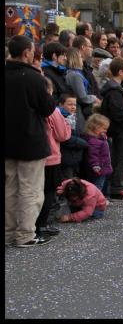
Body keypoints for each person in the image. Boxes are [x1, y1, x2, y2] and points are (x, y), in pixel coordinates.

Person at [5, 35, 57, 247]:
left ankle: (8, 232)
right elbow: (48, 108)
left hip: (7, 140)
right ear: (26, 52)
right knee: (30, 189)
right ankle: (25, 234)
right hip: (30, 140)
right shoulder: (34, 78)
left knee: (9, 188)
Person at [36, 77, 71, 238]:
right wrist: (68, 125)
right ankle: (42, 224)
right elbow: (62, 135)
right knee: (48, 191)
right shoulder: (53, 110)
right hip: (50, 155)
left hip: (31, 154)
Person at [100, 57, 123, 201]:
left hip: (116, 128)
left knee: (118, 158)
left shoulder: (113, 88)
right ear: (120, 72)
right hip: (119, 129)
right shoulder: (115, 90)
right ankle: (117, 188)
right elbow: (118, 112)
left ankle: (118, 186)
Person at [64, 47, 100, 134]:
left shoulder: (73, 73)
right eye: (80, 57)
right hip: (81, 110)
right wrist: (94, 98)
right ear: (75, 58)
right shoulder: (75, 75)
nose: (82, 59)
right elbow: (83, 97)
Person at [58, 93, 88, 180]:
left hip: (75, 156)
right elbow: (65, 137)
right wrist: (82, 142)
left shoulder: (74, 117)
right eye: (70, 104)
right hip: (66, 158)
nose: (73, 107)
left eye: (74, 104)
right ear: (61, 105)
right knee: (67, 181)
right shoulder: (61, 117)